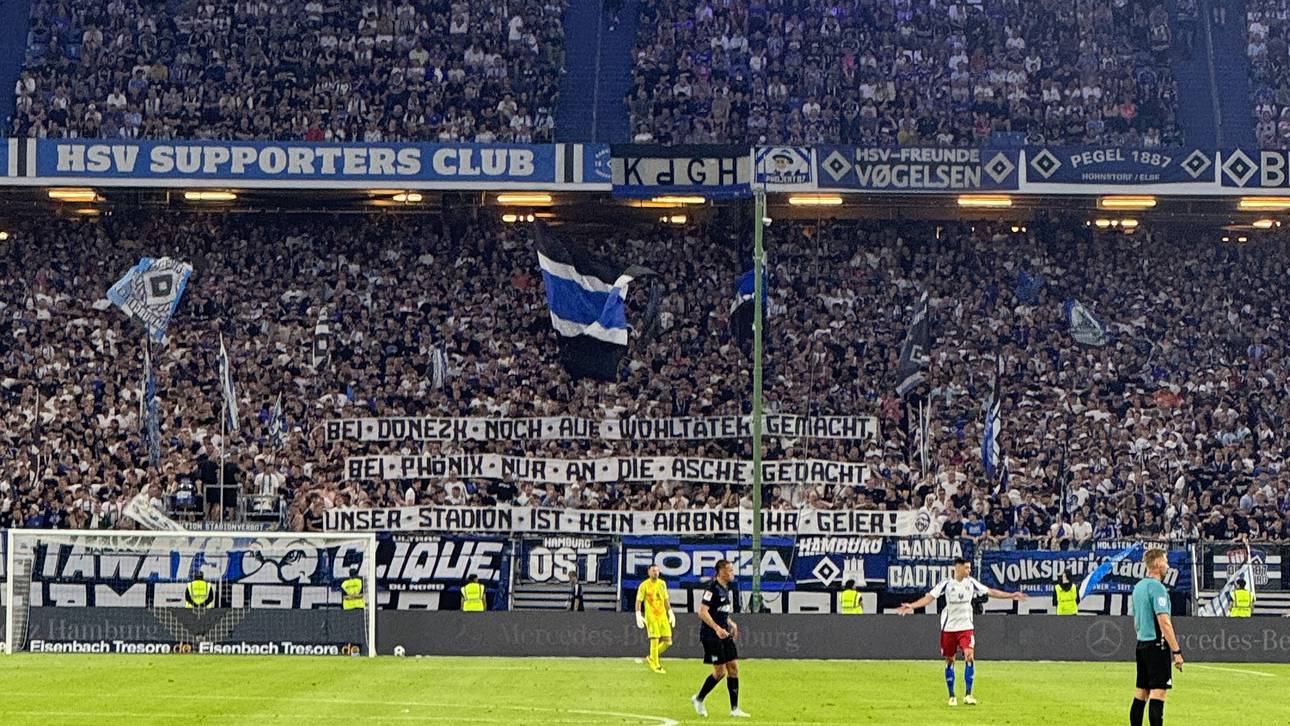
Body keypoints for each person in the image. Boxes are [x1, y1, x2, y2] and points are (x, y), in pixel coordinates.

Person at [896, 557, 1026, 706]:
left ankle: (968, 694)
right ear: (957, 568)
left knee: (969, 656)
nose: (969, 571)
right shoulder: (946, 584)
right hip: (949, 628)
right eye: (967, 568)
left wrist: (1012, 595)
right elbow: (929, 598)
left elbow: (990, 592)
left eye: (970, 568)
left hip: (966, 627)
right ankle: (952, 696)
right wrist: (911, 606)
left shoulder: (971, 583)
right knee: (950, 660)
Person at [1130, 548, 1184, 726]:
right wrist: (1176, 651)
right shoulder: (1158, 588)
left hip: (1142, 644)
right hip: (1157, 645)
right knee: (1158, 692)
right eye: (1166, 562)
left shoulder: (1138, 587)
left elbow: (1137, 619)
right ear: (1159, 563)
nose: (1167, 566)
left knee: (1141, 692)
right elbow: (1164, 622)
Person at [691, 559, 750, 718]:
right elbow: (702, 612)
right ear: (721, 572)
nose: (733, 573)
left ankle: (735, 709)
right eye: (730, 570)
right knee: (720, 672)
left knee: (734, 668)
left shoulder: (725, 588)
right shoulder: (712, 588)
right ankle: (698, 698)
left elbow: (720, 610)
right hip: (712, 635)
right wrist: (717, 628)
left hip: (724, 633)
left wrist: (730, 623)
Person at [635, 564, 676, 673]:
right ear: (649, 572)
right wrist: (638, 614)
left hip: (662, 616)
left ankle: (652, 656)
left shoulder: (662, 584)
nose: (655, 573)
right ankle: (656, 665)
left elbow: (666, 599)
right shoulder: (644, 585)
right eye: (653, 571)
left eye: (657, 571)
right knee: (655, 639)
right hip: (651, 617)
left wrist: (670, 612)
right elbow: (638, 601)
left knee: (668, 641)